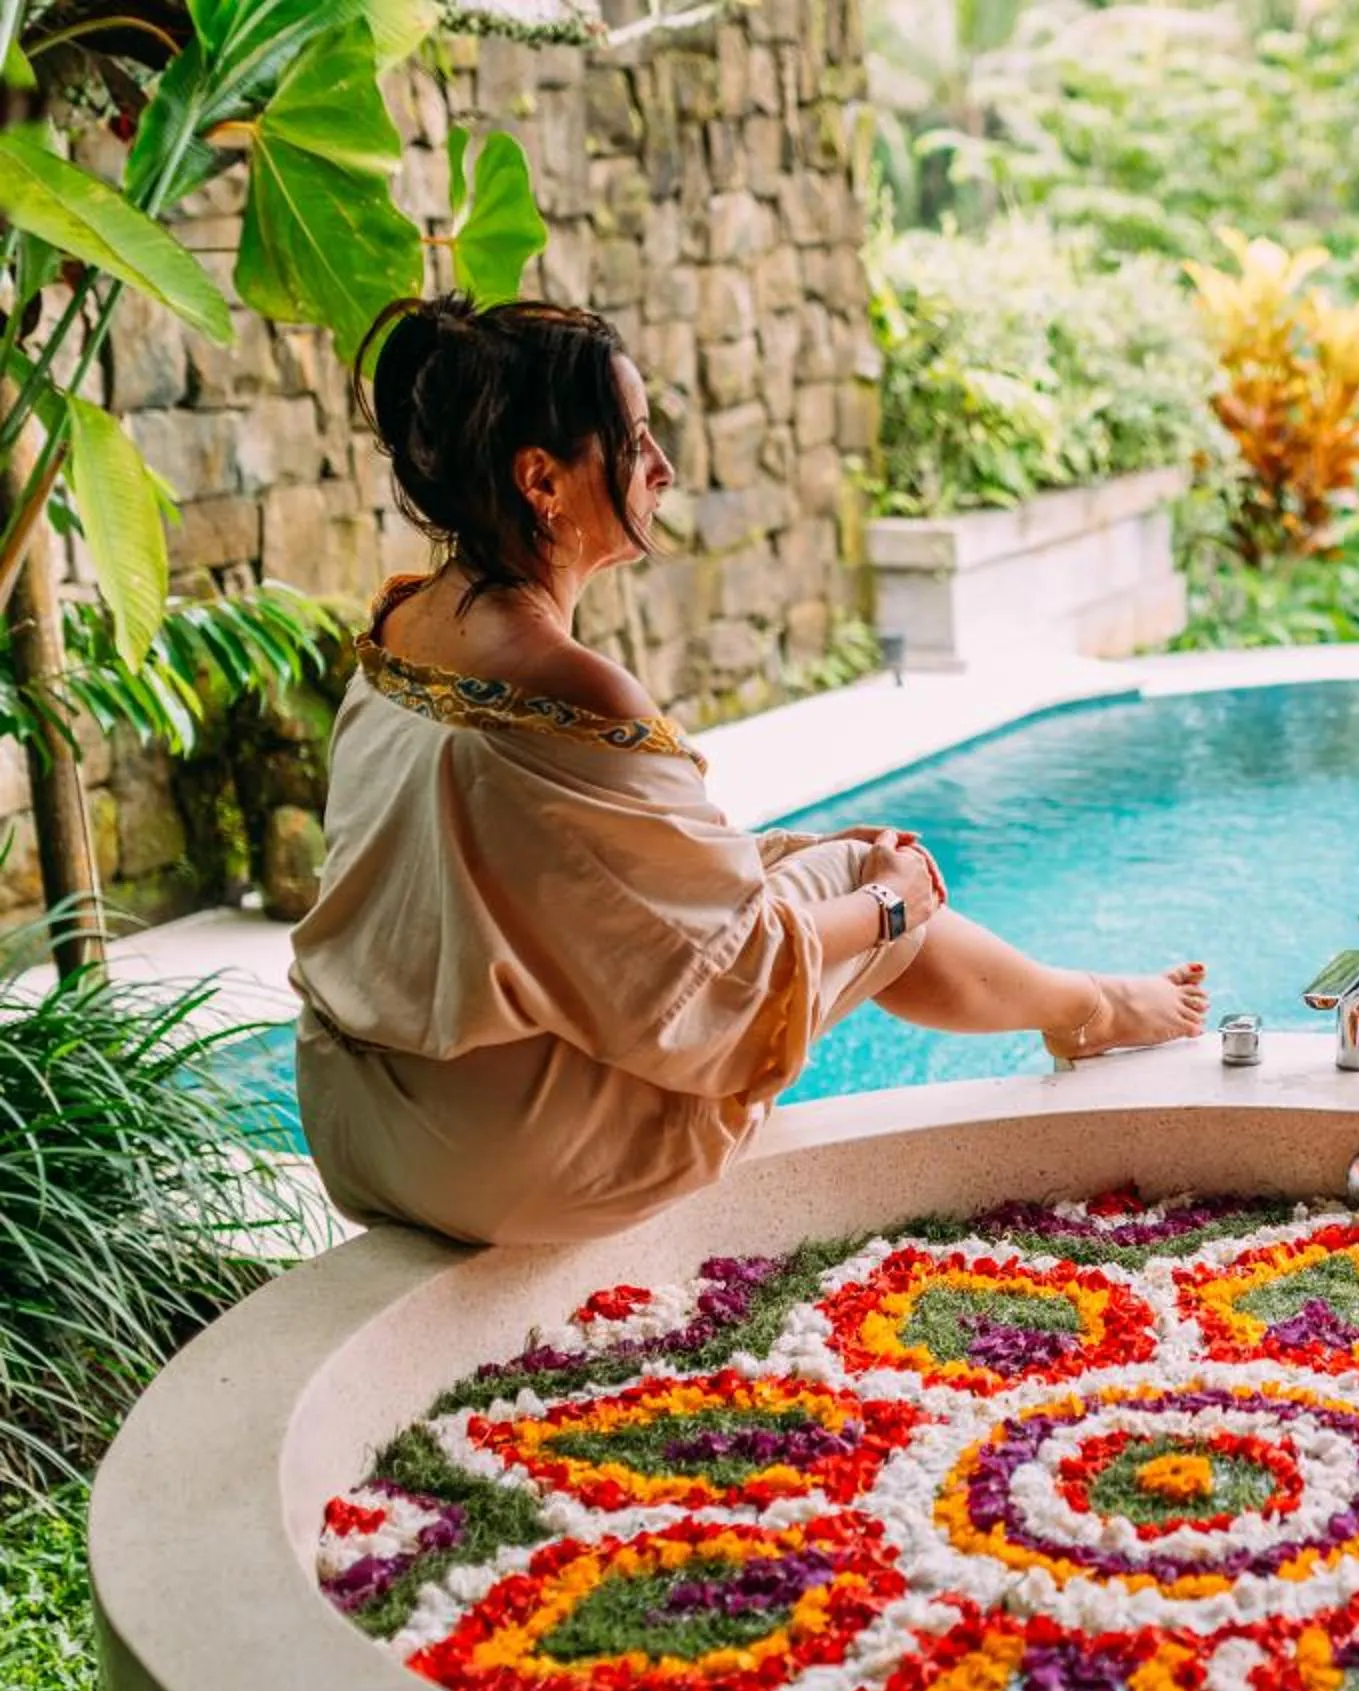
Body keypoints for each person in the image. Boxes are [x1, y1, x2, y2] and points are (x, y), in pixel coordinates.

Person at [288, 295, 1208, 1245]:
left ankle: (1078, 1002)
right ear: (542, 480)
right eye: (636, 441)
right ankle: (1089, 1010)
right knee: (861, 877)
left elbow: (576, 888)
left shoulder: (403, 628)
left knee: (802, 872)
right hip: (503, 1160)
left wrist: (789, 865)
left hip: (362, 1117)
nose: (663, 470)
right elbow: (729, 983)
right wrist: (890, 905)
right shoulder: (574, 690)